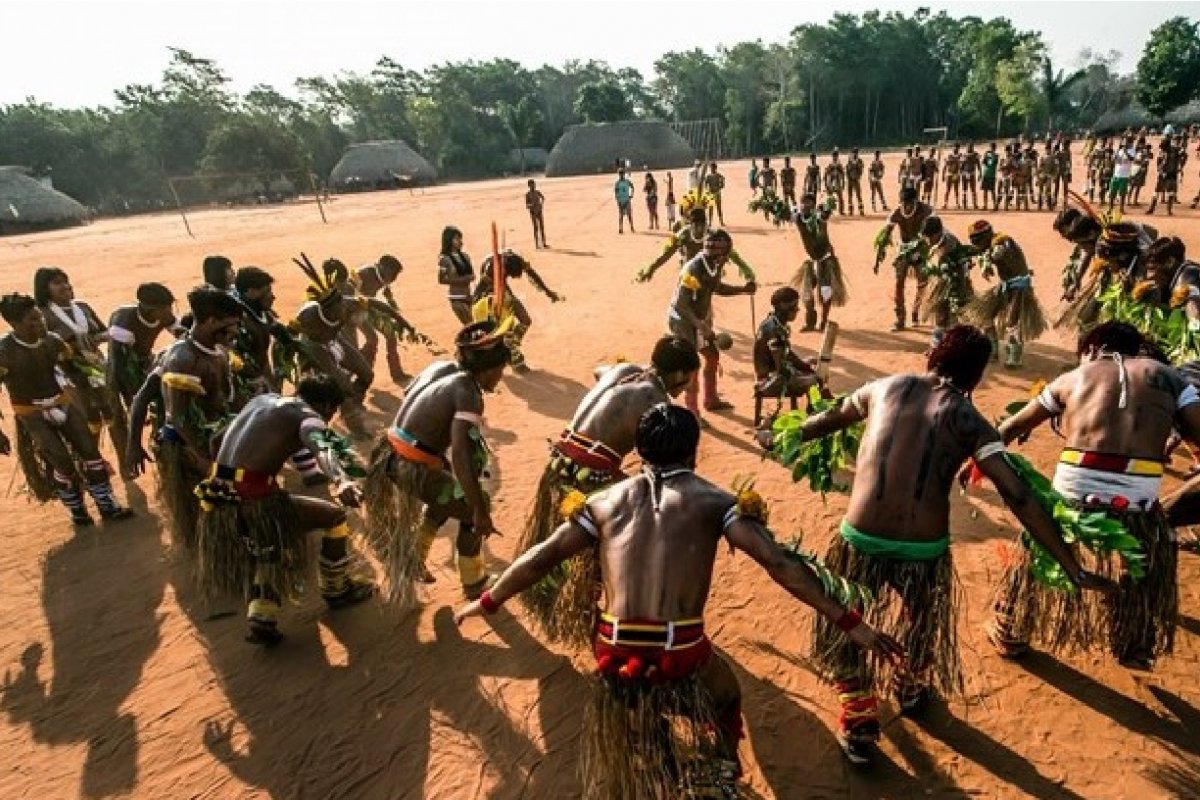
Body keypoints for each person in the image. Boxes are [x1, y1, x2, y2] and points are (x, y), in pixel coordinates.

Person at [456, 403, 905, 793]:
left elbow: (540, 558)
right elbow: (780, 565)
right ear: (692, 450)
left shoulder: (605, 501)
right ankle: (721, 774)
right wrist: (852, 623)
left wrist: (489, 600)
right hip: (680, 648)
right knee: (725, 698)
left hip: (612, 647)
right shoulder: (714, 501)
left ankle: (650, 757)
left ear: (639, 449)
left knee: (633, 702)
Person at [780, 325, 1109, 763]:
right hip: (922, 549)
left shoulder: (883, 387)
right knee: (922, 619)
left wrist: (782, 435)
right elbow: (1017, 494)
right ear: (975, 379)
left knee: (849, 619)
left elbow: (827, 420)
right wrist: (1068, 562)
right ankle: (910, 684)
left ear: (932, 358)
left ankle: (858, 717)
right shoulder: (972, 421)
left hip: (861, 538)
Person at [988, 322, 1198, 670]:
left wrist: (982, 461)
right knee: (1147, 554)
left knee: (1037, 546)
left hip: (1072, 494)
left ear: (1094, 347)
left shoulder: (1075, 377)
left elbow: (1009, 429)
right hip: (1138, 502)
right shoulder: (1170, 378)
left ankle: (1010, 628)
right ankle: (1134, 641)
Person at [515, 337, 700, 647]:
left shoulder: (625, 369)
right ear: (680, 373)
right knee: (616, 545)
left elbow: (599, 371)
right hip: (590, 479)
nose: (686, 388)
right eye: (689, 379)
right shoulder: (657, 402)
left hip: (559, 465)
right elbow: (658, 461)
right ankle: (597, 621)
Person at [194, 375, 375, 645]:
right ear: (326, 406)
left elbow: (216, 441)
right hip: (255, 496)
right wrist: (342, 479)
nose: (329, 418)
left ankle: (261, 615)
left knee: (271, 543)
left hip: (218, 494)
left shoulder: (260, 401)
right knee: (334, 517)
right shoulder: (307, 415)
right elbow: (322, 446)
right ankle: (337, 590)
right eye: (332, 413)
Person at [362, 321, 510, 606]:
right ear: (490, 368)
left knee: (447, 491)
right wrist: (479, 510)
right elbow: (462, 455)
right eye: (500, 371)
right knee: (473, 506)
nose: (499, 378)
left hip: (390, 452)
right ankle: (474, 581)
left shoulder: (441, 368)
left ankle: (415, 556)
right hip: (412, 465)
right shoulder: (468, 394)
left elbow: (412, 399)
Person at [0, 293, 132, 526]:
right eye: (33, 320)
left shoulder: (53, 342)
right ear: (14, 324)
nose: (41, 323)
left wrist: (97, 390)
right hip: (30, 413)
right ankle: (77, 509)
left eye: (40, 317)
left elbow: (75, 371)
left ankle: (107, 504)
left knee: (91, 452)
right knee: (61, 461)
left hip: (63, 403)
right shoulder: (4, 352)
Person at [130, 286, 243, 549]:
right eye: (231, 325)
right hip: (189, 447)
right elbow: (177, 418)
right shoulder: (183, 359)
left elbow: (227, 398)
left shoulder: (219, 351)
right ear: (212, 321)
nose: (236, 332)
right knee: (206, 517)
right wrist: (203, 458)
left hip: (219, 437)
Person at [666, 229, 756, 420]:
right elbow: (682, 305)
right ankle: (692, 412)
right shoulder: (693, 269)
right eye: (723, 255)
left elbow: (716, 288)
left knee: (712, 356)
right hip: (682, 320)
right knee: (692, 365)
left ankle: (710, 399)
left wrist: (742, 289)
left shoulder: (713, 265)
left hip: (698, 319)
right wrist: (701, 326)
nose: (725, 259)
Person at [34, 267, 123, 458]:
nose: (65, 286)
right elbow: (41, 345)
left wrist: (99, 338)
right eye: (57, 283)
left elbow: (104, 331)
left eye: (65, 281)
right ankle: (91, 461)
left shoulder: (83, 307)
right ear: (44, 289)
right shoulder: (42, 314)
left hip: (96, 367)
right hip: (65, 372)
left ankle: (123, 461)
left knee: (112, 413)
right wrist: (69, 346)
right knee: (86, 417)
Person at [289, 259, 374, 436]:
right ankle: (352, 423)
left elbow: (378, 304)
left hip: (336, 340)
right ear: (326, 309)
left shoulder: (345, 303)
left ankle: (351, 407)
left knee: (366, 373)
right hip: (314, 348)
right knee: (341, 383)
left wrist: (404, 323)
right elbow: (288, 336)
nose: (343, 309)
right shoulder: (307, 316)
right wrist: (292, 359)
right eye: (339, 307)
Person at [962, 220, 1046, 368]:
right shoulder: (989, 245)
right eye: (972, 240)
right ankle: (993, 350)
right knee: (983, 315)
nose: (975, 243)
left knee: (1011, 321)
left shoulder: (1002, 241)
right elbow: (981, 253)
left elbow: (998, 254)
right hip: (1005, 285)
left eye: (977, 240)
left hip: (1019, 286)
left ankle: (1015, 356)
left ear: (987, 235)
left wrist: (987, 260)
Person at [471, 248, 563, 373]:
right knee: (501, 329)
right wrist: (478, 304)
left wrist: (548, 292)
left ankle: (509, 346)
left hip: (504, 291)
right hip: (490, 295)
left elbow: (532, 274)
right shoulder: (491, 266)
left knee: (525, 320)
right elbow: (480, 287)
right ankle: (512, 358)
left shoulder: (517, 259)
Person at [341, 255, 419, 385]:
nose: (394, 278)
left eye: (396, 275)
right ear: (382, 267)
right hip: (354, 311)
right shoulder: (362, 274)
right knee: (372, 338)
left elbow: (385, 299)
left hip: (369, 308)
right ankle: (362, 370)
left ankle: (396, 373)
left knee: (391, 335)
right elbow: (349, 294)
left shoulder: (383, 278)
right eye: (393, 274)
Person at [635, 207, 755, 284]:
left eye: (702, 225)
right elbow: (665, 254)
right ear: (690, 224)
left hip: (707, 273)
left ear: (706, 223)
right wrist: (651, 268)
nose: (700, 229)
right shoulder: (683, 235)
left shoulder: (712, 235)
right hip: (688, 272)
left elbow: (731, 253)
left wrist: (745, 269)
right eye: (696, 225)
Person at [753, 287, 823, 410]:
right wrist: (803, 371)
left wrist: (802, 364)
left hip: (773, 374)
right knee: (814, 381)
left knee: (810, 374)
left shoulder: (774, 323)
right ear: (784, 307)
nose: (797, 309)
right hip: (770, 381)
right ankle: (813, 417)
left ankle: (812, 413)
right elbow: (782, 367)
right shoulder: (774, 329)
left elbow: (786, 354)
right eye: (794, 306)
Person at [875, 186, 933, 332]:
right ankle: (900, 318)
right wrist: (879, 255)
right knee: (899, 283)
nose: (906, 207)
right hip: (903, 249)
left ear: (915, 202)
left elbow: (934, 229)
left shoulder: (925, 211)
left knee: (923, 282)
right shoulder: (896, 213)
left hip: (920, 248)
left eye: (909, 204)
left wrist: (925, 249)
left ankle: (915, 311)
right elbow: (885, 234)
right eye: (903, 204)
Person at [791, 193, 848, 331]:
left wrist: (825, 212)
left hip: (826, 261)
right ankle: (810, 322)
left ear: (814, 206)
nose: (806, 206)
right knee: (806, 294)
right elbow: (788, 214)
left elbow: (823, 216)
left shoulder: (819, 218)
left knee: (825, 293)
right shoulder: (798, 218)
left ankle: (824, 321)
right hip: (811, 261)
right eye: (803, 203)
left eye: (809, 203)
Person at [919, 216, 976, 352]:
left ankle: (962, 347)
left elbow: (958, 266)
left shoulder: (949, 244)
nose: (927, 241)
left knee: (957, 314)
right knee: (940, 313)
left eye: (929, 237)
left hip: (956, 280)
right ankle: (936, 346)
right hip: (940, 280)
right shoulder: (932, 239)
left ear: (938, 233)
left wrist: (959, 290)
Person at [437, 225, 475, 324]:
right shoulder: (444, 259)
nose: (460, 242)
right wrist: (461, 280)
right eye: (457, 239)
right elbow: (441, 280)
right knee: (471, 325)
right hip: (457, 299)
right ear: (449, 241)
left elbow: (471, 274)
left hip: (469, 297)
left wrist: (470, 278)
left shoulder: (466, 256)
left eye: (460, 239)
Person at [1148, 137, 1181, 216]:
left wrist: (1178, 167)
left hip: (1171, 174)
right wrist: (1161, 170)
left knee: (1170, 193)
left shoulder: (1174, 150)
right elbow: (1158, 164)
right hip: (1164, 174)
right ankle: (1152, 209)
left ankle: (1168, 210)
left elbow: (1182, 157)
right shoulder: (1163, 152)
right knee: (1157, 192)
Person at [1108, 138, 1135, 215]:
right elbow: (1115, 160)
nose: (1124, 143)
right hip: (1116, 174)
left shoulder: (1132, 151)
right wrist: (1115, 156)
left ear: (1129, 143)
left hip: (1125, 176)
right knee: (1112, 192)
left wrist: (1125, 152)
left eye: (1126, 142)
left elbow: (1131, 159)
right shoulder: (1119, 150)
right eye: (1123, 142)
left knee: (1122, 194)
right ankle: (1110, 208)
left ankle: (1121, 209)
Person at [525, 179, 548, 248]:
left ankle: (544, 243)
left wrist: (541, 204)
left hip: (539, 211)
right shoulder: (528, 194)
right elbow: (527, 205)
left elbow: (543, 198)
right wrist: (531, 205)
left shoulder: (537, 192)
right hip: (533, 212)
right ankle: (537, 244)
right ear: (529, 186)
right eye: (531, 185)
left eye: (534, 184)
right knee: (536, 228)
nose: (533, 186)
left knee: (541, 227)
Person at [824, 150, 846, 215]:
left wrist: (843, 183)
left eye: (836, 156)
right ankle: (829, 211)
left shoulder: (839, 164)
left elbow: (842, 174)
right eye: (834, 156)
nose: (835, 157)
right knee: (830, 198)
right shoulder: (830, 164)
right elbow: (826, 174)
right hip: (830, 182)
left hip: (837, 182)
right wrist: (826, 184)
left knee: (840, 198)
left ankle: (841, 211)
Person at [614, 169, 635, 234]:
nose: (621, 175)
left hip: (627, 200)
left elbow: (632, 187)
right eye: (620, 174)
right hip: (621, 201)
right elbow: (616, 192)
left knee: (629, 215)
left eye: (622, 173)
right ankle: (620, 228)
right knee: (621, 216)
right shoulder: (617, 183)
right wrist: (618, 200)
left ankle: (631, 227)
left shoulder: (627, 181)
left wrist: (631, 195)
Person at [845, 147, 865, 215]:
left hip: (856, 179)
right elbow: (847, 170)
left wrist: (855, 164)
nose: (855, 154)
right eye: (854, 152)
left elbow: (861, 169)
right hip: (850, 180)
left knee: (858, 195)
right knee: (850, 195)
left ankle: (861, 209)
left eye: (856, 152)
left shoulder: (859, 161)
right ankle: (851, 210)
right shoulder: (850, 160)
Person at [942, 144, 962, 209]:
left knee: (956, 189)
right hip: (949, 174)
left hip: (956, 174)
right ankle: (945, 203)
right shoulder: (949, 156)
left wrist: (959, 173)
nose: (955, 149)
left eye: (957, 148)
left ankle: (957, 203)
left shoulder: (960, 156)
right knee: (948, 189)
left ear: (958, 149)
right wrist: (943, 174)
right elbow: (945, 165)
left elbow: (961, 165)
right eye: (955, 148)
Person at [961, 142, 980, 210]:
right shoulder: (964, 155)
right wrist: (962, 173)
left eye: (970, 147)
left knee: (973, 189)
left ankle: (974, 203)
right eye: (968, 147)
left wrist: (980, 173)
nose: (969, 148)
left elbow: (978, 164)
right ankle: (964, 204)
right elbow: (962, 166)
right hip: (965, 173)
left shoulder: (975, 155)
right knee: (964, 189)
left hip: (972, 173)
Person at [981, 142, 999, 211]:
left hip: (992, 174)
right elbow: (983, 162)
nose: (991, 149)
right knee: (985, 191)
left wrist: (991, 155)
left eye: (992, 147)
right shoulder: (987, 154)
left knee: (992, 191)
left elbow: (993, 162)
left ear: (994, 148)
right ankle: (985, 205)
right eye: (991, 147)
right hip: (986, 173)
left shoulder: (996, 155)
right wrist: (986, 156)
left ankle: (995, 205)